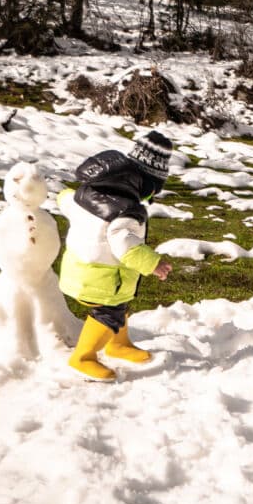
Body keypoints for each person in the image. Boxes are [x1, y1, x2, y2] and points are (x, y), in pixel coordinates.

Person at [57, 131, 174, 381]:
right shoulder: (127, 210)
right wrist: (154, 263)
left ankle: (118, 344)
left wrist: (62, 197)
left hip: (79, 268)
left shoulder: (85, 192)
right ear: (146, 184)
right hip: (102, 278)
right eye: (152, 193)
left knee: (121, 305)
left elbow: (64, 200)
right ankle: (83, 357)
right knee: (108, 314)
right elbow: (124, 244)